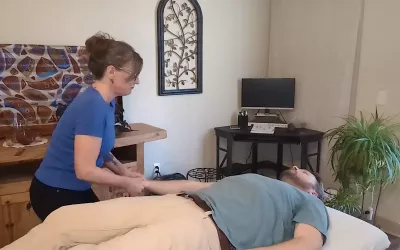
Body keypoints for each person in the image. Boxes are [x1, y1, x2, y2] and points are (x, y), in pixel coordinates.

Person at [7, 166, 329, 250]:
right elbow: (192, 185)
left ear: (315, 190)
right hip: (177, 204)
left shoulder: (308, 203)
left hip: (207, 228)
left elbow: (307, 243)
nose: (296, 167)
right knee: (64, 220)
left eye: (304, 171)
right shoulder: (255, 179)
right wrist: (144, 184)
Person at [29, 32, 145, 221]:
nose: (137, 81)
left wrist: (124, 172)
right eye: (133, 75)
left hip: (72, 189)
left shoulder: (107, 102)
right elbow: (85, 170)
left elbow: (100, 150)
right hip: (54, 192)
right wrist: (125, 182)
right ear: (111, 72)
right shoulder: (93, 105)